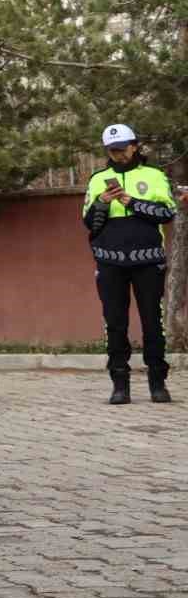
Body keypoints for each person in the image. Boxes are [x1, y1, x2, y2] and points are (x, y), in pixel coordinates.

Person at [84, 123, 177, 404]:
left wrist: (131, 202)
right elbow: (88, 223)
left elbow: (167, 213)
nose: (118, 155)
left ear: (134, 146)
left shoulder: (154, 175)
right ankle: (120, 384)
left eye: (122, 149)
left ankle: (157, 382)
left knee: (152, 322)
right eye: (112, 151)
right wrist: (101, 202)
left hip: (148, 262)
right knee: (115, 323)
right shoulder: (98, 179)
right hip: (110, 263)